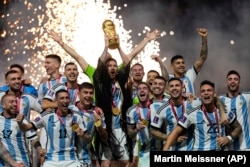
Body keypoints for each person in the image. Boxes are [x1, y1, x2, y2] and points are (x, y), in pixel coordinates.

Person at [47, 28, 161, 84]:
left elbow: (132, 55)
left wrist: (146, 40)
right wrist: (61, 43)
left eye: (112, 63)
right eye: (106, 63)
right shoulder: (93, 73)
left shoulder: (117, 72)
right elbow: (77, 57)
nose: (110, 66)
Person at [163, 80, 242, 151]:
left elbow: (238, 128)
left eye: (209, 90)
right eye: (203, 91)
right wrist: (165, 149)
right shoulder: (192, 113)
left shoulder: (224, 111)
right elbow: (176, 131)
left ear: (214, 94)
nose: (206, 93)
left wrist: (228, 138)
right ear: (200, 95)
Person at [19, 89, 91, 167]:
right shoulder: (46, 116)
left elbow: (88, 139)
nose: (65, 100)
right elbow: (26, 128)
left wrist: (83, 135)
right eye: (62, 98)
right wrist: (20, 123)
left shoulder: (76, 116)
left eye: (67, 98)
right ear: (56, 101)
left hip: (71, 160)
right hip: (51, 160)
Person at [68, 82, 108, 167]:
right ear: (79, 94)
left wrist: (99, 124)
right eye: (85, 92)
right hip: (69, 158)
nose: (88, 95)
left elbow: (105, 137)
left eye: (91, 93)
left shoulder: (97, 112)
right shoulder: (69, 110)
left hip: (87, 158)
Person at [151, 78, 193, 151]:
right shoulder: (162, 109)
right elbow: (153, 131)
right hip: (171, 149)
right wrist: (170, 137)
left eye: (177, 85)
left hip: (190, 148)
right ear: (168, 89)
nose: (174, 88)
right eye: (171, 86)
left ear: (182, 87)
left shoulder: (191, 104)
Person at [0, 94, 41, 167]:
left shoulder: (23, 122)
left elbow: (34, 140)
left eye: (16, 102)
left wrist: (41, 152)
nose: (15, 104)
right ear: (3, 105)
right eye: (11, 102)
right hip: (4, 164)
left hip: (23, 163)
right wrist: (13, 163)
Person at [169, 28, 208, 95]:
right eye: (178, 63)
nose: (181, 65)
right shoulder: (168, 78)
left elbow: (203, 58)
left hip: (190, 105)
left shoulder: (189, 75)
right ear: (172, 66)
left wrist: (204, 38)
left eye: (183, 63)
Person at [219, 70, 250, 150]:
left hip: (245, 147)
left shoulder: (247, 97)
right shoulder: (220, 100)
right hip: (228, 148)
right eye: (230, 79)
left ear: (239, 83)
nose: (233, 81)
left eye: (235, 79)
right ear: (226, 83)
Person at [126, 82, 151, 167]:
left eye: (145, 88)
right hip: (144, 151)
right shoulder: (131, 111)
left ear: (149, 92)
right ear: (136, 93)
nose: (142, 90)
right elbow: (129, 134)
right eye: (139, 89)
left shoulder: (156, 107)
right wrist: (136, 129)